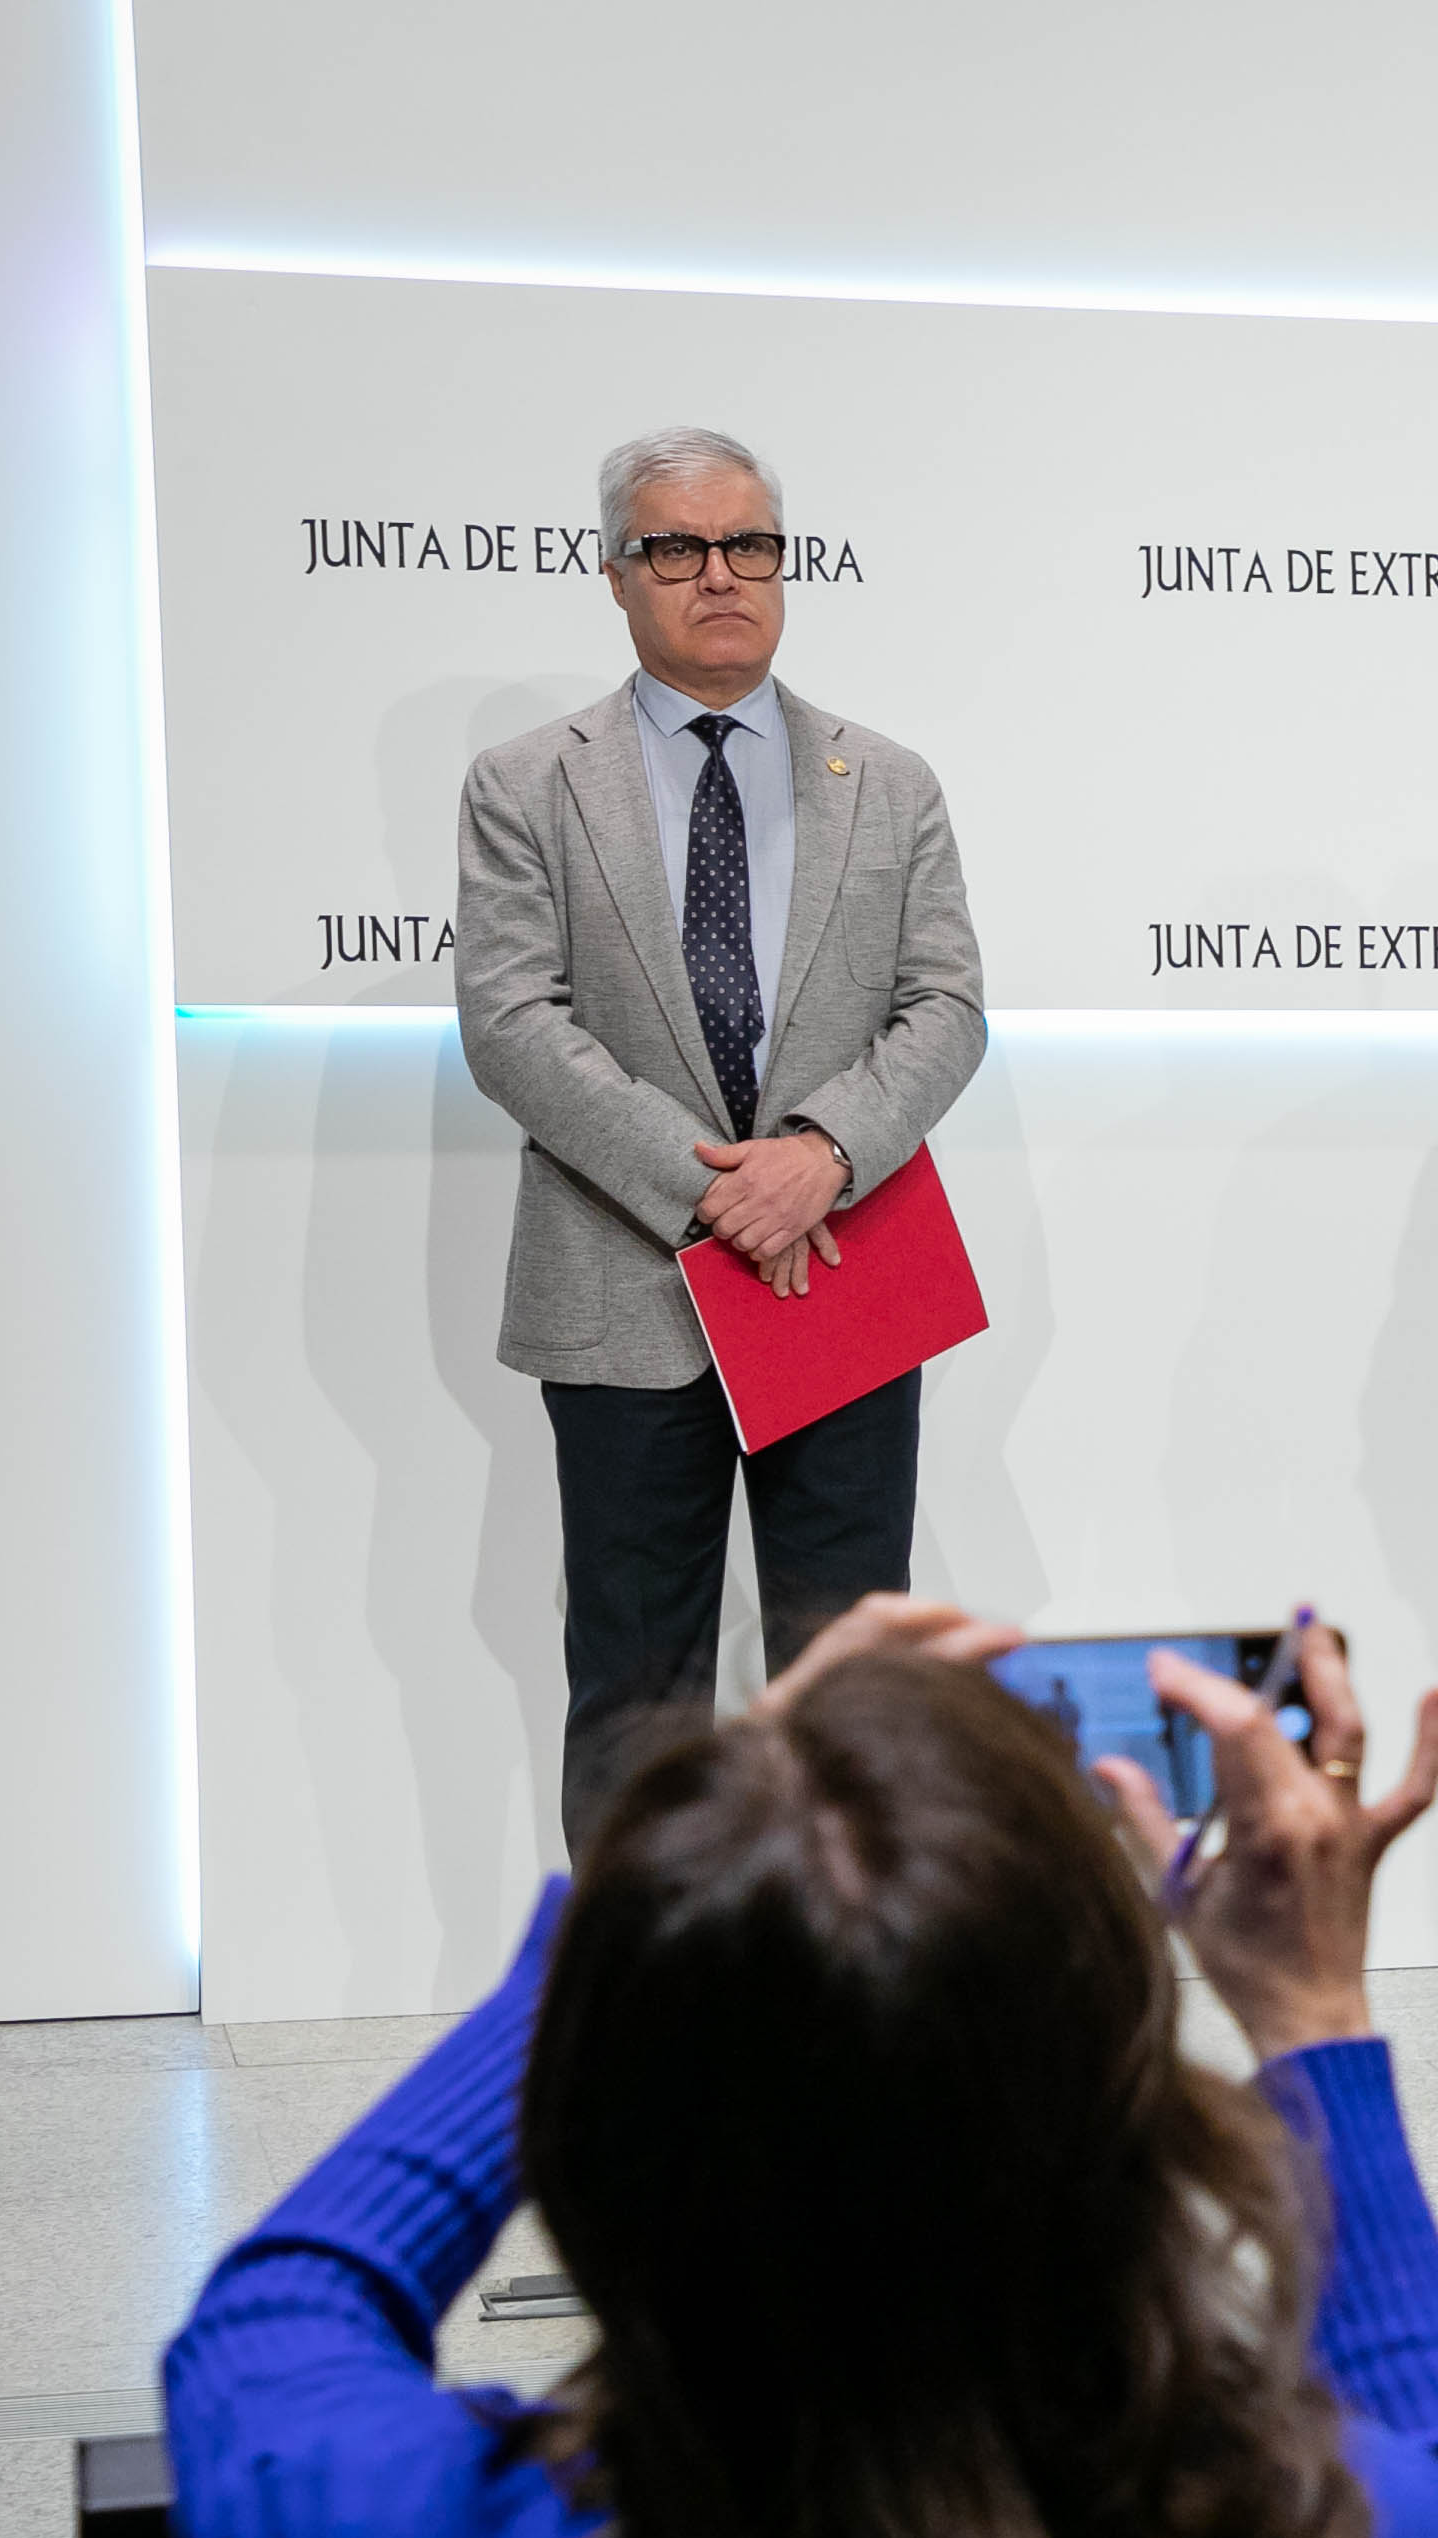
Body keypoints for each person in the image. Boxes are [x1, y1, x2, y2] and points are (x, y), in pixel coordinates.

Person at [164, 1600, 1438, 2538]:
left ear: (599, 2144)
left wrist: (675, 1872)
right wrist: (1314, 2020)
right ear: (1123, 2133)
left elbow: (279, 2314)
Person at [458, 425, 992, 1842]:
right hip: (625, 1287)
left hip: (843, 1271)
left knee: (853, 1685)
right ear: (617, 574)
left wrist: (819, 1154)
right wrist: (713, 1191)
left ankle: (846, 2015)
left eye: (749, 545)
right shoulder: (528, 784)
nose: (720, 577)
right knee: (636, 1695)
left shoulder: (887, 780)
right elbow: (513, 1023)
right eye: (678, 548)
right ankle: (652, 2032)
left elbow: (947, 1006)